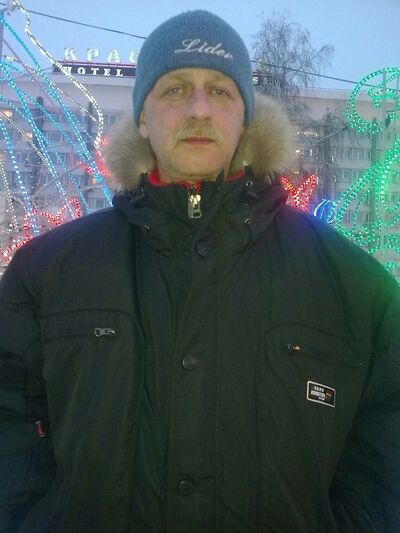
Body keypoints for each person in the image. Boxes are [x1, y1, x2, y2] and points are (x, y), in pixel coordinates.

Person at [0, 9, 399, 533]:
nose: (199, 109)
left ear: (245, 117)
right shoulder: (47, 272)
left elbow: (384, 452)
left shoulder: (355, 286)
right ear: (143, 117)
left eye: (220, 91)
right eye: (174, 89)